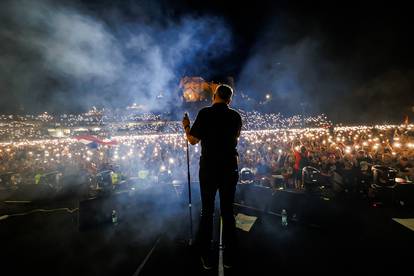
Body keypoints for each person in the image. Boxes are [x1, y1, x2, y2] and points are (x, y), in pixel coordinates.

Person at [182, 84, 242, 270]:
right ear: (229, 100)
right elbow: (236, 137)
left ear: (214, 95)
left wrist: (186, 127)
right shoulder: (235, 116)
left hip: (209, 169)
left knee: (207, 212)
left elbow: (193, 141)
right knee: (228, 213)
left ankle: (206, 257)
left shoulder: (205, 113)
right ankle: (231, 258)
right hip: (229, 168)